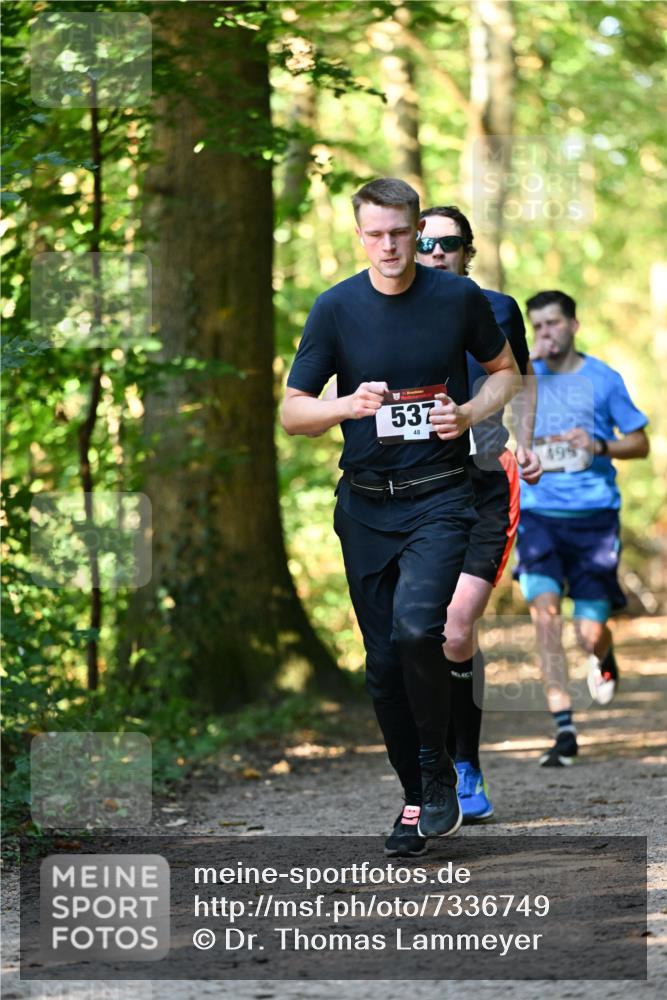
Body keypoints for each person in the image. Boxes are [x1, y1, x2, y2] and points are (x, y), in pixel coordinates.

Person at [281, 178, 519, 856]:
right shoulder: (334, 310)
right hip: (364, 505)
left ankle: (440, 769)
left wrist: (469, 412)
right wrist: (345, 405)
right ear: (359, 235)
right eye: (374, 233)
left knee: (421, 628)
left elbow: (504, 371)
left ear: (417, 231)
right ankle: (418, 794)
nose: (388, 245)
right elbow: (294, 412)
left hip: (441, 494)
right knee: (382, 663)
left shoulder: (457, 298)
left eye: (399, 232)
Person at [415, 206, 542, 821]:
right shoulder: (391, 312)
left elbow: (521, 376)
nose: (435, 252)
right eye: (425, 242)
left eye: (449, 243)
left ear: (468, 251)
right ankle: (433, 758)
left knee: (457, 628)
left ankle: (465, 764)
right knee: (421, 633)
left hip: (486, 479)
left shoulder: (499, 309)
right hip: (414, 488)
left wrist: (530, 437)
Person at [518, 290, 650, 766]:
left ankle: (603, 656)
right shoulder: (520, 375)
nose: (544, 334)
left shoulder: (603, 379)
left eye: (552, 324)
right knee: (545, 616)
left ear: (573, 325)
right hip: (538, 516)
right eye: (536, 326)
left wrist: (597, 446)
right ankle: (564, 728)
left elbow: (639, 442)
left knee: (588, 633)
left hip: (594, 519)